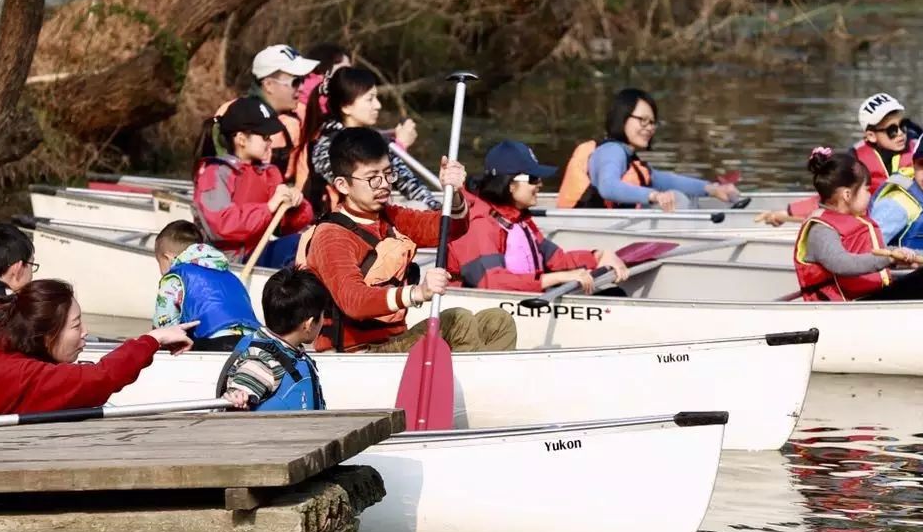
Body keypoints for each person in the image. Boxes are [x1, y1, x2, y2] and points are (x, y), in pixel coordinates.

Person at [304, 128, 517, 353]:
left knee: (498, 322)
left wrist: (452, 193)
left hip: (396, 341)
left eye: (388, 174)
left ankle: (487, 384)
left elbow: (453, 228)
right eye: (373, 179)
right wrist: (417, 292)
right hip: (357, 353)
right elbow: (353, 300)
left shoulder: (391, 217)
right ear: (343, 185)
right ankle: (473, 384)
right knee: (459, 322)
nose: (385, 184)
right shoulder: (332, 235)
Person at [0, 279, 199, 417]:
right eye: (76, 324)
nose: (85, 331)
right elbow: (99, 378)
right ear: (46, 335)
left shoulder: (4, 358)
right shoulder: (15, 374)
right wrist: (152, 339)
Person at [756, 92, 923, 225]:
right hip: (876, 225)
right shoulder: (856, 161)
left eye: (903, 125)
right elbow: (830, 197)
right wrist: (787, 213)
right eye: (891, 130)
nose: (901, 133)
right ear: (871, 135)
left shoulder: (921, 153)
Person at [447, 140, 630, 293]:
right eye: (533, 178)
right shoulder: (479, 224)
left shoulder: (518, 218)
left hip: (527, 298)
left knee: (615, 292)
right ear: (510, 184)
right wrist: (554, 278)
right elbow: (491, 282)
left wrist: (598, 256)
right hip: (492, 313)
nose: (540, 184)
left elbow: (558, 260)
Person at [792, 147, 923, 302]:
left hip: (867, 298)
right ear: (847, 195)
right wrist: (890, 259)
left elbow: (884, 251)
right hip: (844, 308)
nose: (870, 195)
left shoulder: (856, 220)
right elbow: (843, 264)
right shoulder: (821, 230)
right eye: (866, 190)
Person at [556, 88, 738, 211]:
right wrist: (653, 196)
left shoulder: (629, 158)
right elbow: (608, 187)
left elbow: (666, 180)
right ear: (623, 118)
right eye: (642, 120)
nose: (649, 128)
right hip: (588, 229)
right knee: (677, 199)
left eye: (652, 122)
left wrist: (713, 189)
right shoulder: (611, 151)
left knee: (676, 194)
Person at [194, 96, 314, 267]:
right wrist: (269, 207)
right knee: (294, 246)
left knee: (309, 241)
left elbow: (283, 227)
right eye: (265, 137)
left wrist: (296, 205)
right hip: (223, 262)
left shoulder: (269, 173)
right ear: (241, 139)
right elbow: (221, 226)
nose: (270, 143)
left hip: (257, 253)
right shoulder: (214, 172)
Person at [300, 66, 431, 215]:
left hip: (369, 221)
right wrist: (400, 145)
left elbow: (410, 184)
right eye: (370, 99)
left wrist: (438, 212)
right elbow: (367, 193)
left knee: (422, 207)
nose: (378, 105)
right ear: (346, 107)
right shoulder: (327, 147)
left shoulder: (372, 139)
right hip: (335, 226)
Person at [216, 266, 327, 411]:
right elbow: (239, 392)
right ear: (309, 324)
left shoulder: (290, 352)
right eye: (323, 315)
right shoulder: (262, 361)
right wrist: (237, 395)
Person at [207, 44, 319, 179]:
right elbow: (218, 173)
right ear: (269, 85)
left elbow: (303, 171)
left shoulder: (302, 115)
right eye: (295, 82)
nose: (301, 88)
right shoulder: (233, 113)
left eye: (303, 80)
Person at [152, 219, 261, 352]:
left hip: (215, 342)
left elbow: (164, 326)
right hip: (253, 342)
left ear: (167, 258)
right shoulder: (229, 275)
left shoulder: (176, 275)